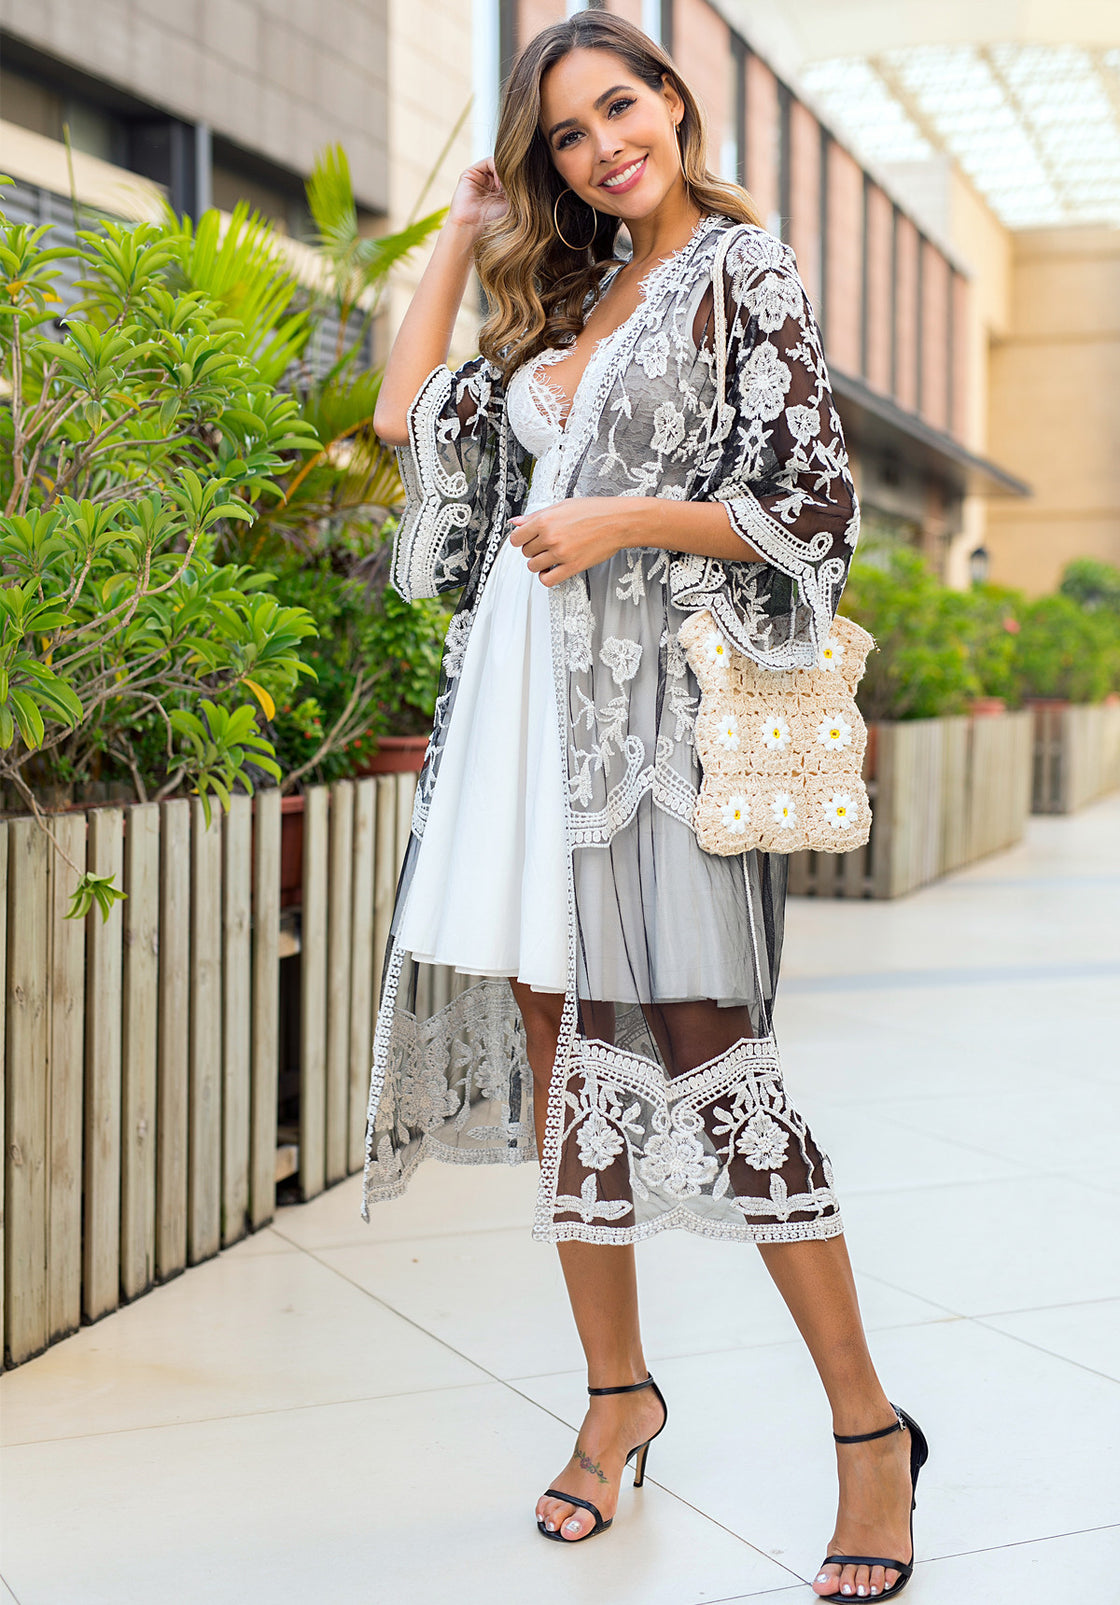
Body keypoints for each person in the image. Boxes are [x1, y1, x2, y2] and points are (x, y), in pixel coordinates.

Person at [367, 12, 927, 1599]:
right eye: (569, 134)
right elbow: (410, 422)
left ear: (674, 105)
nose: (607, 143)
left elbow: (809, 504)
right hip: (520, 721)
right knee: (566, 1075)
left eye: (624, 106)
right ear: (550, 165)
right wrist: (461, 239)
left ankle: (868, 1431)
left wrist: (617, 516)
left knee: (711, 1056)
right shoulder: (571, 297)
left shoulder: (746, 273)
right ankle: (616, 1398)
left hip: (653, 729)